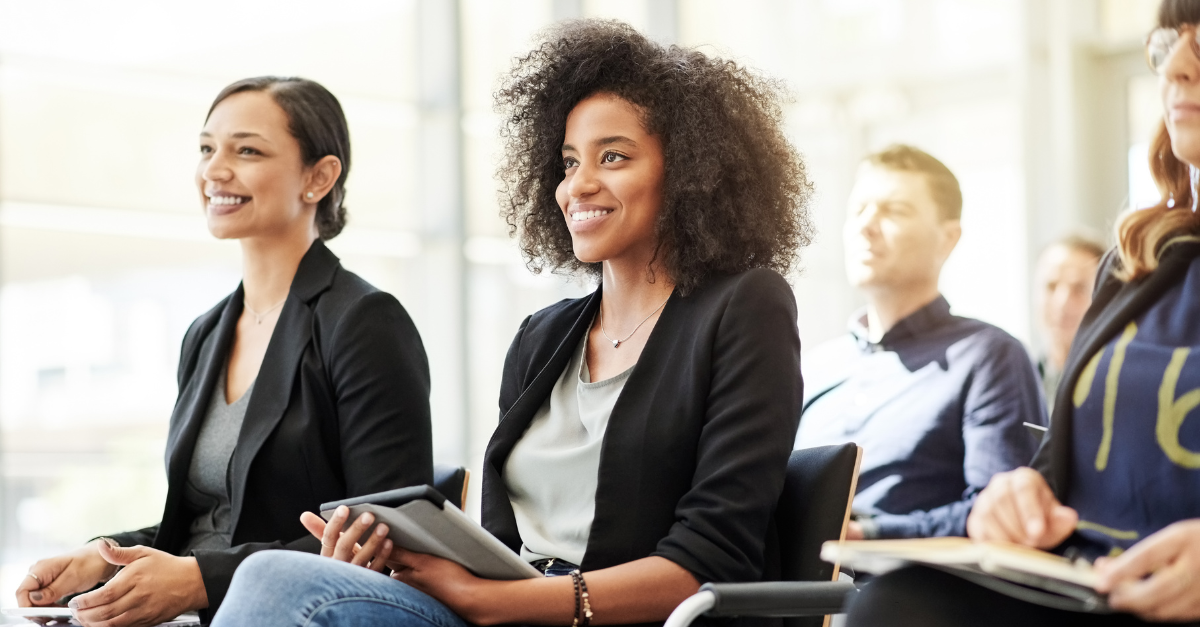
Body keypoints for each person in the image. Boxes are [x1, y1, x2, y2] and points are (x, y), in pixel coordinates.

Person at [211, 19, 813, 627]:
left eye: (614, 157)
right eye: (569, 160)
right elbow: (499, 547)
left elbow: (712, 559)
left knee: (273, 580)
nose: (578, 184)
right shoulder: (544, 338)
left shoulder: (744, 307)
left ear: (689, 172)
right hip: (510, 612)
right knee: (311, 579)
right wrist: (398, 560)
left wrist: (498, 602)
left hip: (600, 618)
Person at [15, 77, 434, 627]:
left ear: (319, 177)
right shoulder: (207, 333)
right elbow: (210, 521)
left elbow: (385, 536)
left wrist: (200, 580)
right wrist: (103, 556)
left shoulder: (363, 323)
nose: (214, 170)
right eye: (207, 148)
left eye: (247, 150)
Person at [844, 1, 1200, 623]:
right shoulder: (1138, 263)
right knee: (893, 607)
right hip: (1082, 583)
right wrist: (1016, 497)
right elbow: (1058, 472)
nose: (1177, 63)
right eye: (1170, 38)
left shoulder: (984, 355)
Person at [794, 145, 1047, 540]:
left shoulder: (988, 357)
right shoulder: (815, 367)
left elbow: (1000, 519)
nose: (866, 225)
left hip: (904, 591)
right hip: (785, 594)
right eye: (857, 209)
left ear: (948, 239)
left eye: (894, 210)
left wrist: (871, 534)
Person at [1035, 234, 1105, 407]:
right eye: (1051, 286)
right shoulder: (1019, 381)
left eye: (1079, 288)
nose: (1062, 302)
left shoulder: (1120, 386)